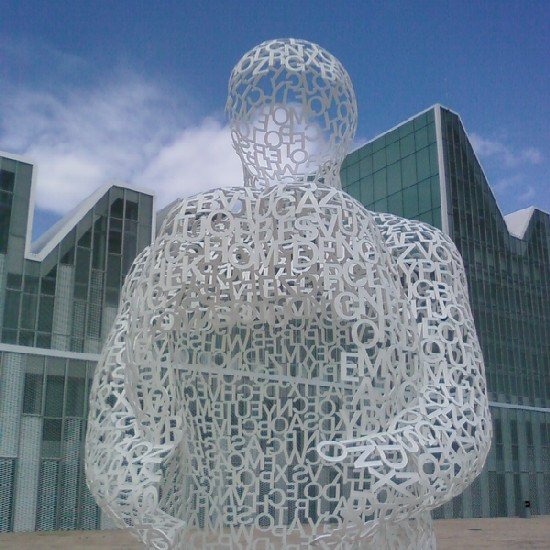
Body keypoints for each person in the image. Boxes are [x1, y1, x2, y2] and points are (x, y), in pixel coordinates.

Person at [86, 38, 492, 549]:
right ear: (236, 129)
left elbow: (456, 417)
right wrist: (138, 481)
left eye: (311, 112)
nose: (284, 136)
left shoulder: (412, 252)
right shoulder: (179, 254)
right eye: (264, 112)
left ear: (344, 125)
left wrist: (373, 466)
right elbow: (117, 421)